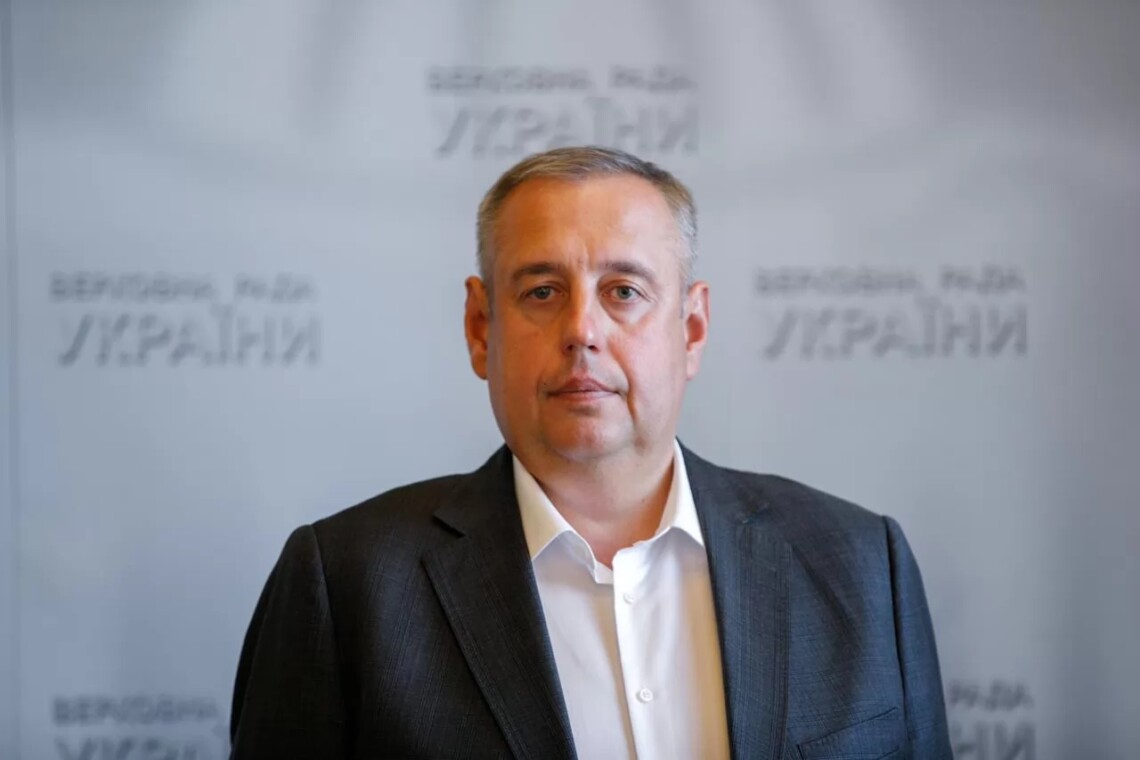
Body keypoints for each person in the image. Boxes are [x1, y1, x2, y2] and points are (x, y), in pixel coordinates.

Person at [229, 146, 952, 759]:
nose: (582, 330)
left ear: (692, 329)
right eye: (543, 291)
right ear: (481, 329)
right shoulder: (346, 586)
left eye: (624, 291)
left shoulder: (863, 565)